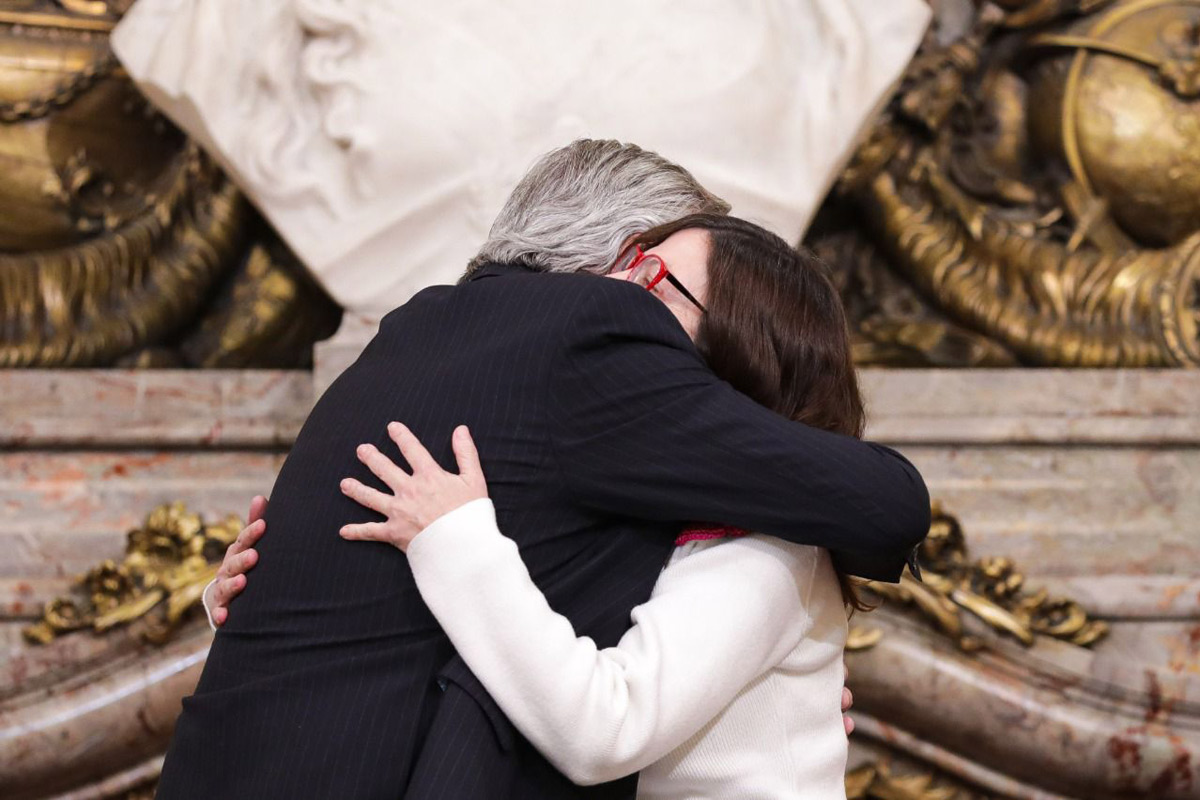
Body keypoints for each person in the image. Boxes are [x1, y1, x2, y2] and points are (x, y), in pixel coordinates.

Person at [160, 139, 929, 800]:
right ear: (619, 257)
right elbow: (887, 502)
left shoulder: (415, 329)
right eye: (649, 269)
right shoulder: (593, 332)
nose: (649, 301)